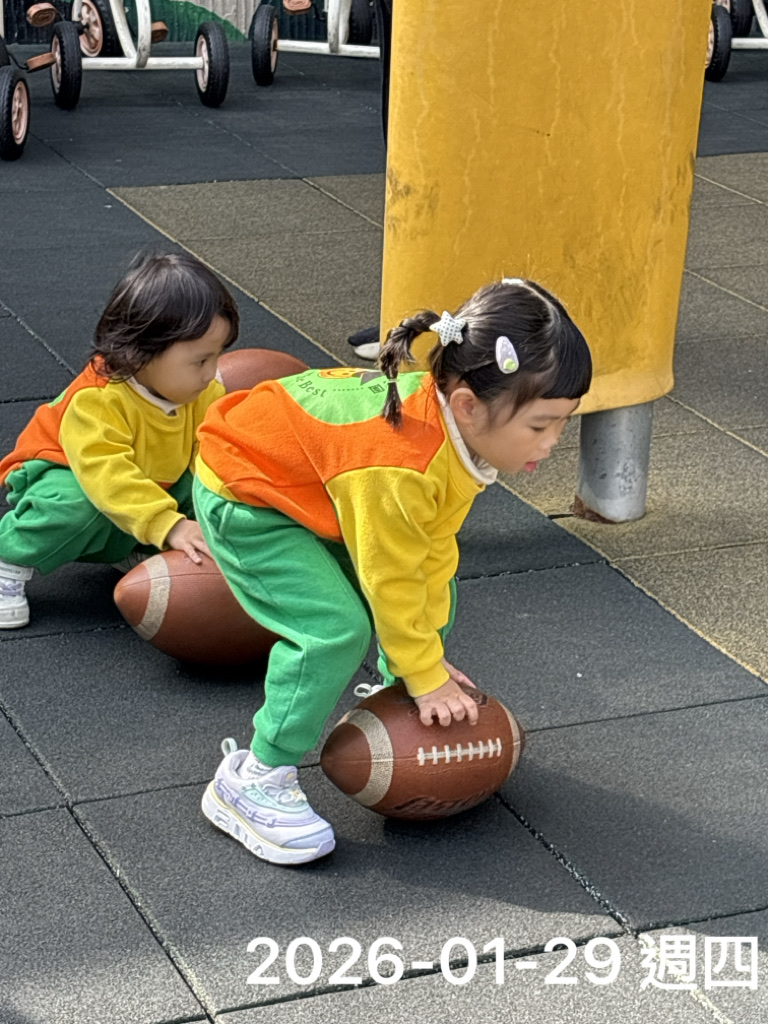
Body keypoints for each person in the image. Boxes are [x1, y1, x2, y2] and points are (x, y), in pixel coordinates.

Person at [193, 276, 593, 866]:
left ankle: (392, 683)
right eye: (540, 425)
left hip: (311, 487)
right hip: (246, 492)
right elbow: (392, 578)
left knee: (437, 585)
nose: (553, 441)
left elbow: (431, 552)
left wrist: (416, 665)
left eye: (563, 422)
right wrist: (425, 673)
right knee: (333, 630)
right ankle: (254, 778)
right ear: (468, 406)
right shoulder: (403, 466)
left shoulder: (453, 435)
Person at [0, 252, 239, 628]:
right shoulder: (98, 399)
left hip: (150, 477)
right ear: (139, 352)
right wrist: (169, 525)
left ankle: (134, 540)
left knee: (209, 489)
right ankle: (8, 560)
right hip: (68, 475)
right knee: (76, 506)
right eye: (200, 361)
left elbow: (212, 454)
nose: (212, 373)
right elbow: (105, 474)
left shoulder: (203, 392)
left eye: (217, 357)